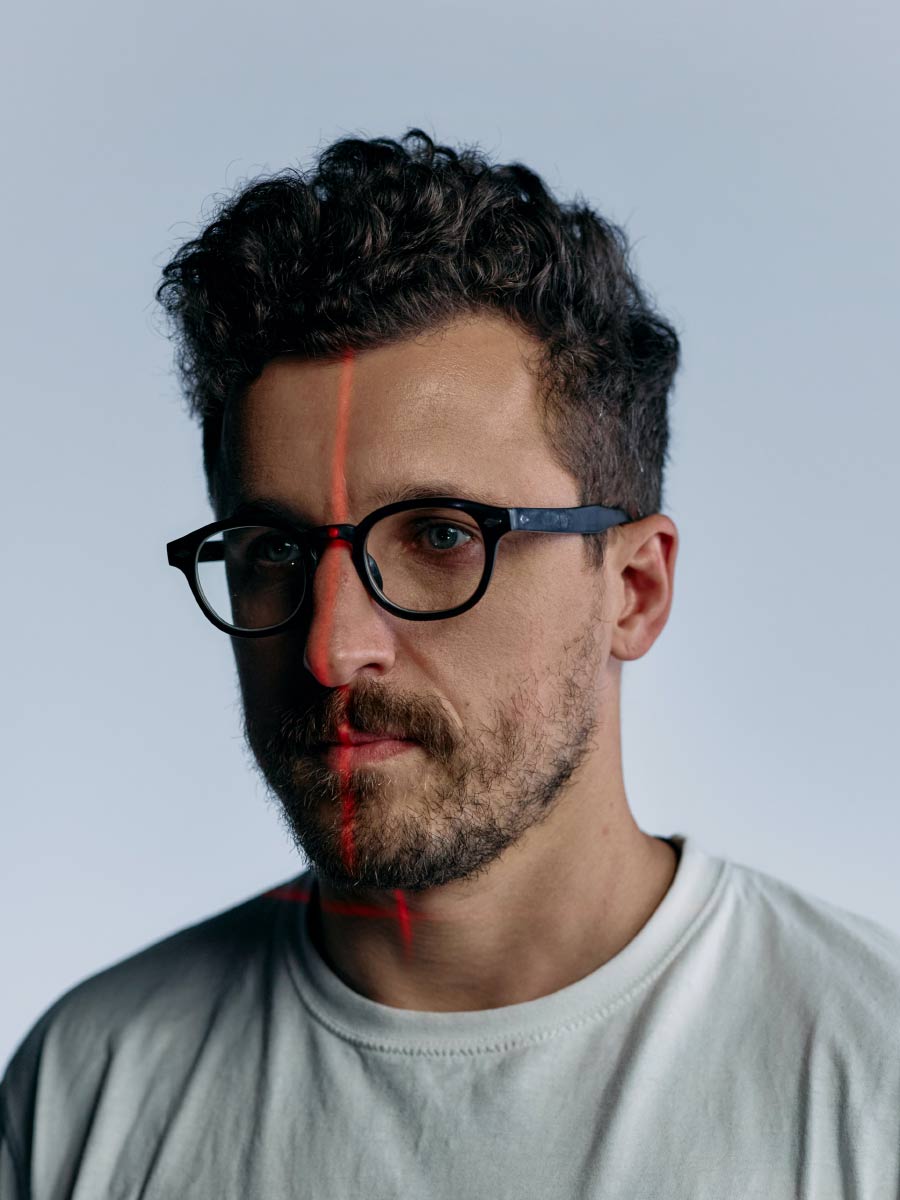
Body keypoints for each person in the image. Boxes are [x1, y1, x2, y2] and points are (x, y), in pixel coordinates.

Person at [2, 128, 898, 1199]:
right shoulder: (89, 1087)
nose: (333, 648)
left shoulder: (870, 1079)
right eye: (274, 551)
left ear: (633, 589)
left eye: (439, 536)